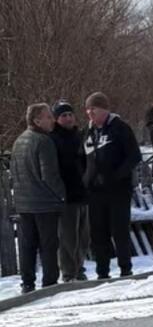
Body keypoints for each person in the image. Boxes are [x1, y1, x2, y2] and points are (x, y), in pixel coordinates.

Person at [83, 92, 142, 280]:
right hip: (95, 192)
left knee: (119, 230)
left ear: (104, 110)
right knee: (98, 232)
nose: (90, 113)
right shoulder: (88, 132)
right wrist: (86, 180)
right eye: (88, 109)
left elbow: (135, 156)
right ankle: (102, 272)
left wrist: (116, 176)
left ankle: (125, 268)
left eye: (94, 109)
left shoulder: (120, 128)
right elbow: (82, 158)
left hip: (118, 190)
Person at [10, 103, 65, 293]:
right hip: (44, 202)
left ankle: (27, 282)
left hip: (24, 203)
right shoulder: (44, 141)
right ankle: (50, 283)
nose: (52, 120)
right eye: (48, 117)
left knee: (28, 245)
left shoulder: (19, 141)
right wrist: (62, 194)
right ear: (37, 120)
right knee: (48, 245)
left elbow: (15, 172)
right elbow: (49, 175)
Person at [50, 101, 89, 283]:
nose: (68, 118)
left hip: (82, 193)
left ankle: (79, 268)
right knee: (68, 237)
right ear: (57, 119)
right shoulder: (53, 139)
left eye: (70, 115)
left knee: (83, 236)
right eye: (63, 116)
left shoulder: (79, 136)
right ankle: (68, 272)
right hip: (66, 194)